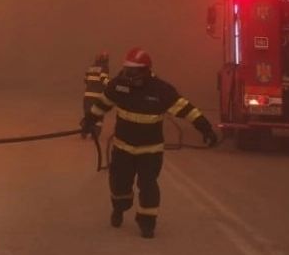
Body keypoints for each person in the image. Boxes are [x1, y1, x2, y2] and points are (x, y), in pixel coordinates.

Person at [80, 46, 219, 239]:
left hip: (150, 150)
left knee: (148, 186)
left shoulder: (161, 90)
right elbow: (103, 104)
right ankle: (120, 208)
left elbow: (187, 110)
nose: (128, 75)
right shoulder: (119, 85)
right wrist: (89, 121)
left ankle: (147, 223)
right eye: (127, 69)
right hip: (122, 148)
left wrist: (206, 129)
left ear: (145, 71)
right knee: (119, 185)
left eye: (133, 71)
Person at [81, 51, 111, 139]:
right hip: (97, 96)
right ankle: (95, 135)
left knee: (88, 114)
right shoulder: (104, 68)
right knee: (99, 115)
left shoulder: (91, 68)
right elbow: (103, 79)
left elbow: (85, 80)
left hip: (87, 96)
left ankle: (84, 132)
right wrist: (111, 85)